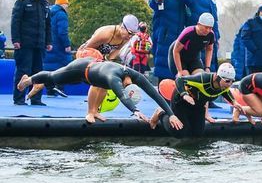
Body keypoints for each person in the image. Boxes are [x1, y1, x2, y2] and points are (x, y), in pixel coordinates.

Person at [17, 58, 182, 128]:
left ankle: (94, 111)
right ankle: (29, 80)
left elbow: (154, 94)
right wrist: (136, 111)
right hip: (82, 68)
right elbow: (122, 96)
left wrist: (171, 113)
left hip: (96, 77)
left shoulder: (134, 76)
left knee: (101, 87)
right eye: (126, 85)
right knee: (54, 78)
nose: (126, 86)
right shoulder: (114, 79)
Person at [152, 62, 241, 138]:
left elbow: (226, 92)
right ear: (217, 77)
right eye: (227, 81)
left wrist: (234, 102)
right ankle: (161, 113)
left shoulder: (223, 86)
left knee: (198, 133)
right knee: (179, 131)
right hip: (181, 101)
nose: (230, 84)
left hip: (197, 104)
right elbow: (179, 80)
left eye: (232, 81)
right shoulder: (202, 79)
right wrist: (184, 94)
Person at [11, 0, 52, 106]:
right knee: (23, 71)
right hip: (25, 43)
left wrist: (48, 41)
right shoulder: (22, 1)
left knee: (38, 73)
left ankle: (35, 98)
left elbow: (48, 25)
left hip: (39, 44)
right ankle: (19, 99)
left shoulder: (44, 3)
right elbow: (15, 22)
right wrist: (15, 39)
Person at [148, 0, 192, 80]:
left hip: (177, 37)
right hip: (165, 37)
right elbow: (153, 2)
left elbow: (189, 0)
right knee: (164, 67)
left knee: (174, 67)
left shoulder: (182, 0)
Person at [177, 0, 220, 71]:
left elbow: (215, 20)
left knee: (211, 63)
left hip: (211, 35)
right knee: (200, 64)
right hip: (198, 36)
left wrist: (217, 37)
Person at [169, 12, 215, 77]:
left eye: (210, 28)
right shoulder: (188, 32)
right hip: (179, 56)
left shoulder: (211, 34)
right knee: (187, 79)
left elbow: (209, 49)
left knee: (201, 78)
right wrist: (179, 71)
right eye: (206, 27)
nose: (207, 30)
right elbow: (176, 51)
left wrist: (207, 67)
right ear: (198, 24)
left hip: (194, 58)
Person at [43, 0, 73, 96]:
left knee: (48, 67)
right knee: (63, 67)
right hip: (59, 45)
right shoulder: (61, 14)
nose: (67, 7)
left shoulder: (49, 12)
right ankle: (59, 87)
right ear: (63, 4)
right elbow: (62, 32)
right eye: (67, 5)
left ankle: (50, 89)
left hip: (48, 43)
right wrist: (67, 44)